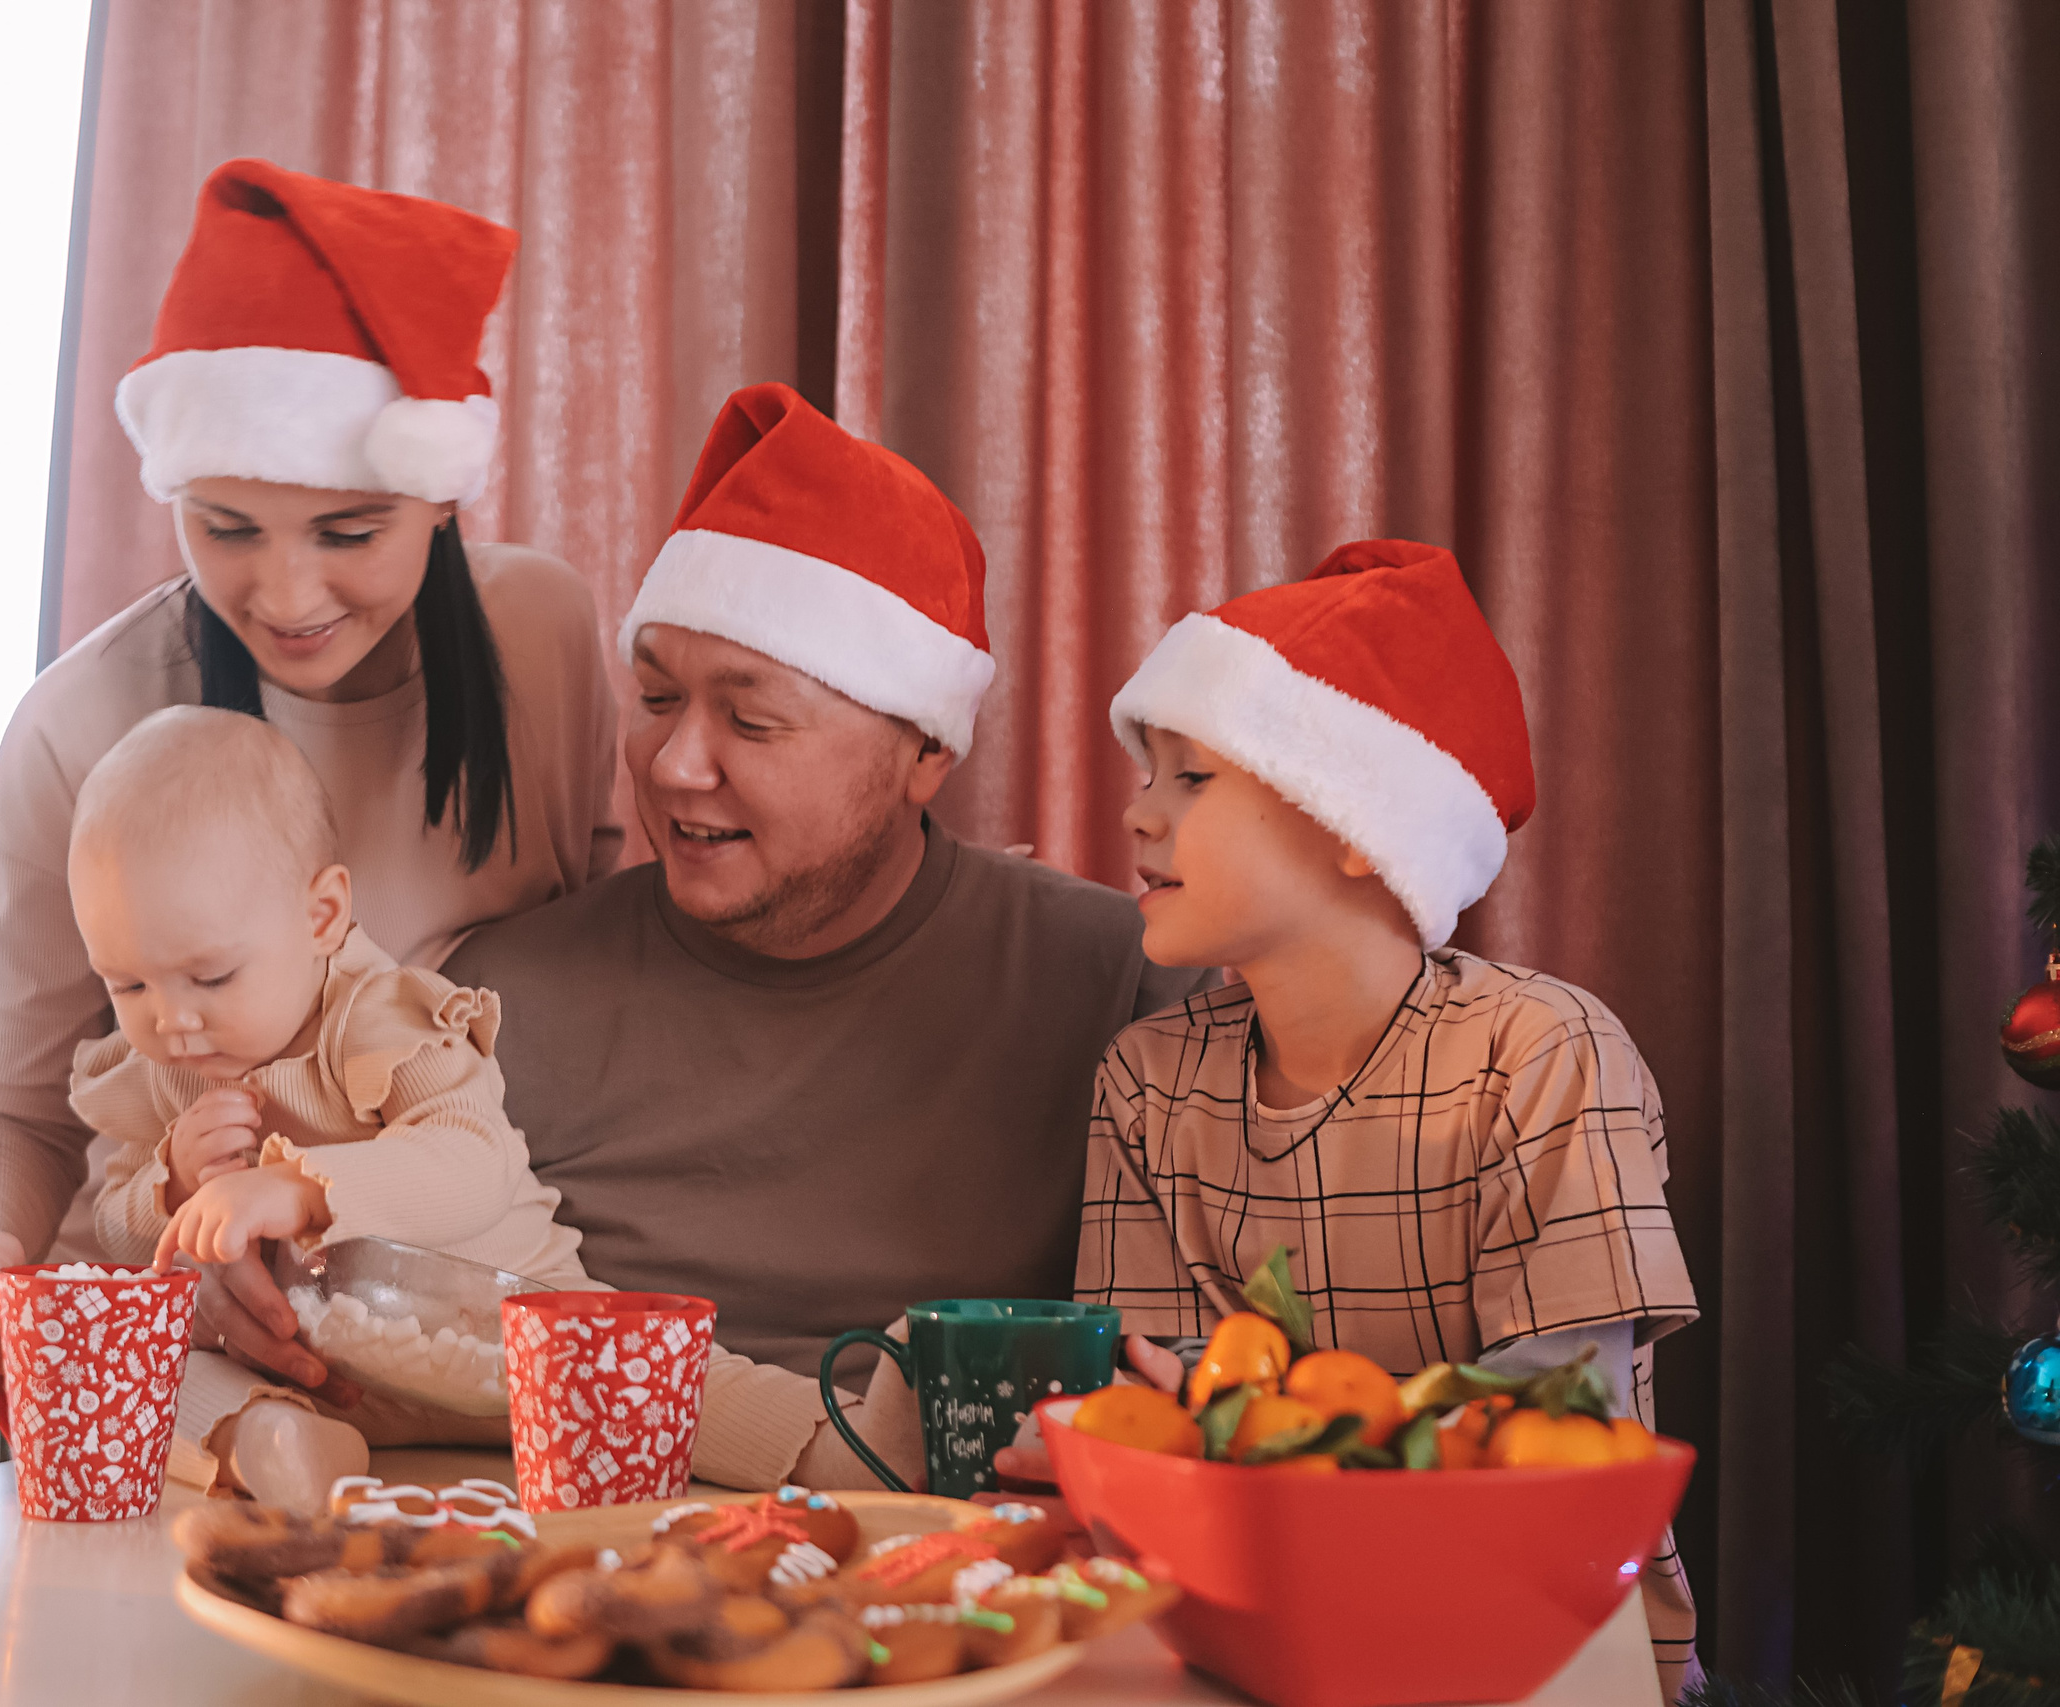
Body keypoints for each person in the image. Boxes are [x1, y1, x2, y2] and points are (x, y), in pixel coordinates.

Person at [0, 160, 621, 1474]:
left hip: (466, 1366)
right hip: (201, 1392)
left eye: (349, 529)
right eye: (224, 528)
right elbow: (20, 1110)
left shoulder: (546, 646)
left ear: (443, 493)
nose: (285, 593)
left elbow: (597, 999)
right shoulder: (79, 726)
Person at [442, 382, 1199, 1491]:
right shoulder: (494, 999)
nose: (673, 764)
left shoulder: (1111, 978)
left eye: (751, 720)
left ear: (923, 752)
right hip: (579, 1541)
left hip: (959, 1556)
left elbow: (1187, 1365)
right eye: (654, 699)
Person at [1069, 538, 1702, 1698]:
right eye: (1143, 773)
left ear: (1357, 822)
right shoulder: (1145, 1080)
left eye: (1190, 777)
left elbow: (1567, 1421)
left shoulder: (1540, 1054)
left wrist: (1276, 1434)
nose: (1136, 815)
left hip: (1537, 1642)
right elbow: (1149, 1417)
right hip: (1239, 1634)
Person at [59, 706, 589, 1507]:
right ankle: (284, 1443)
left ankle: (831, 1441)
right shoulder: (173, 1061)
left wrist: (301, 1188)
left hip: (521, 1346)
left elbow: (476, 1158)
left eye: (209, 978)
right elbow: (120, 1224)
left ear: (322, 916)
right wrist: (169, 1183)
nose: (171, 1021)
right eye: (127, 984)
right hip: (336, 1376)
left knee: (682, 1382)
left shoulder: (378, 1015)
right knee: (126, 1378)